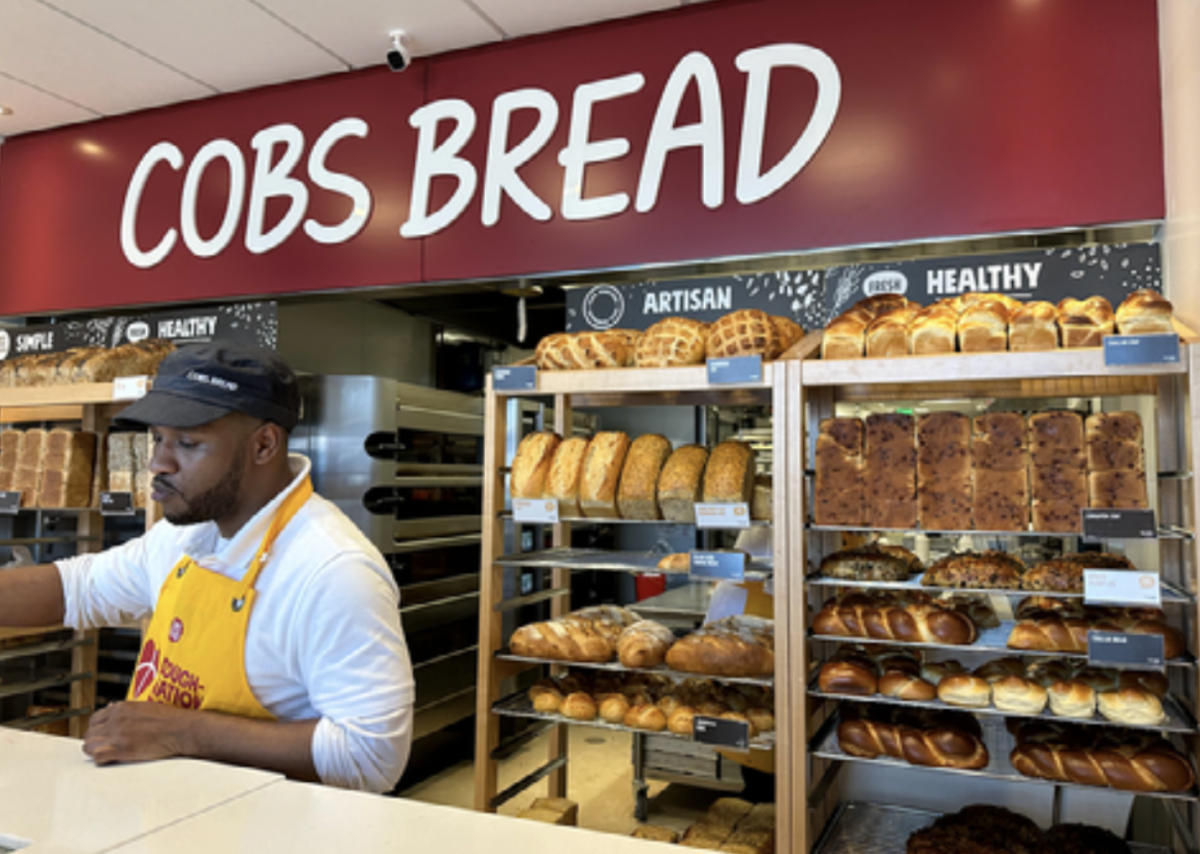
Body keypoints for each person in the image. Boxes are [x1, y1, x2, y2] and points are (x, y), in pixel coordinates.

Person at [0, 342, 414, 793]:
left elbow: (372, 757)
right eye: (158, 438)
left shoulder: (335, 570)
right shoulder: (187, 534)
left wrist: (184, 732)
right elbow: (80, 588)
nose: (159, 463)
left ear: (264, 444)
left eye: (187, 443)